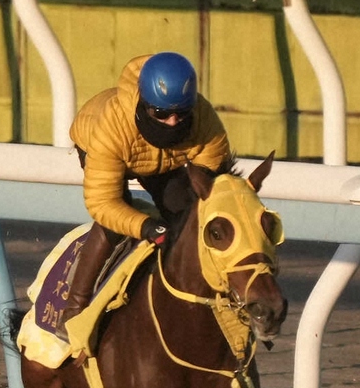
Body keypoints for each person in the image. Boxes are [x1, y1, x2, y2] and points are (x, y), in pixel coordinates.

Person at [61, 51, 232, 329]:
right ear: (144, 103)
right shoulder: (112, 125)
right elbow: (103, 203)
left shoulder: (204, 118)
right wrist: (148, 227)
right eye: (161, 114)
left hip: (166, 160)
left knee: (187, 215)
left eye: (181, 114)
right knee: (117, 221)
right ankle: (74, 307)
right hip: (102, 144)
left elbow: (213, 185)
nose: (173, 122)